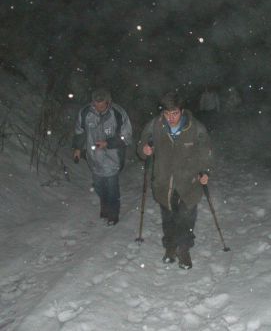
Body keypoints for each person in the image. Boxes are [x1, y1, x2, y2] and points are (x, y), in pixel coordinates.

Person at [137, 91, 213, 269]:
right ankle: (170, 246)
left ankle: (184, 249)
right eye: (167, 113)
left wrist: (206, 171)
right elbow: (141, 146)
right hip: (164, 182)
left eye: (175, 113)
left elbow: (206, 152)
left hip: (189, 183)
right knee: (169, 218)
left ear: (182, 111)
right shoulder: (154, 126)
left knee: (186, 218)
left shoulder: (196, 128)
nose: (171, 118)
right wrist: (144, 150)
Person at [72, 88, 132, 226]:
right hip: (93, 158)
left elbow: (126, 137)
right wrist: (77, 148)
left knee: (111, 187)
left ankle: (113, 214)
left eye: (102, 104)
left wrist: (109, 143)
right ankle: (105, 207)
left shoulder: (118, 113)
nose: (99, 107)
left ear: (108, 102)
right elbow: (79, 132)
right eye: (96, 104)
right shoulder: (85, 112)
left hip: (113, 158)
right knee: (99, 186)